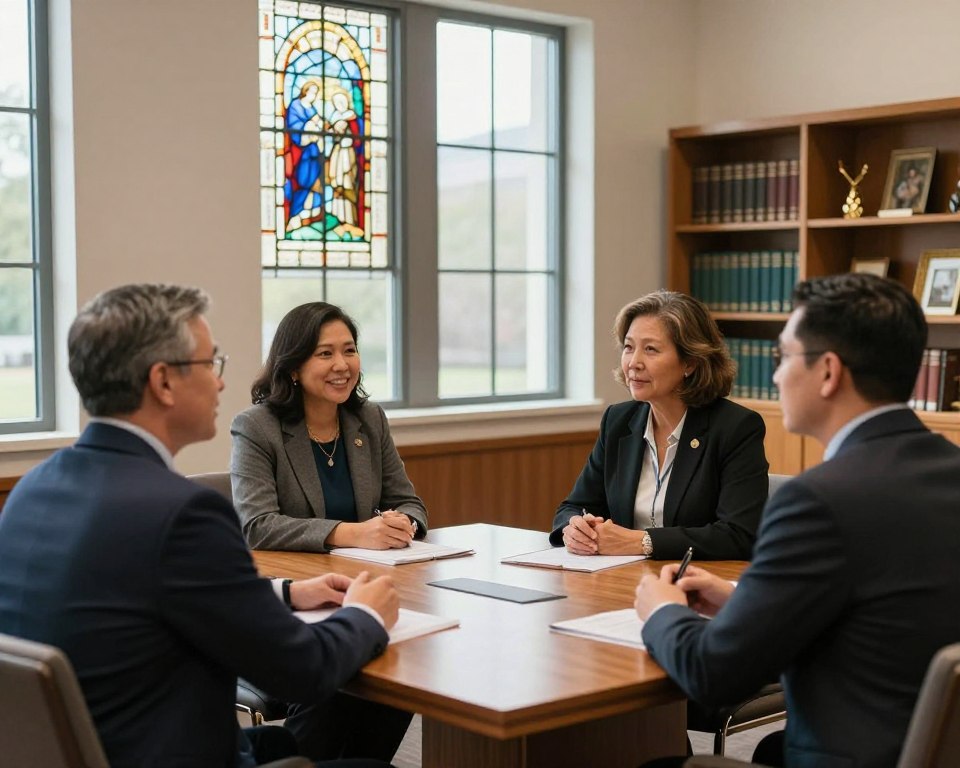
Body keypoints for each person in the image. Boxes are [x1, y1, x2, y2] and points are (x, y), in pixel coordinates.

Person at [0, 284, 398, 768]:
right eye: (210, 364)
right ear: (163, 381)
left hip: (109, 745)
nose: (221, 382)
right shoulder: (181, 513)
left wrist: (287, 593)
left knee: (307, 742)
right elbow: (303, 671)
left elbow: (144, 593)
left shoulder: (32, 490)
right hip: (172, 750)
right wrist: (365, 615)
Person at [636, 273, 960, 768]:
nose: (775, 377)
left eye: (784, 357)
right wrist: (749, 600)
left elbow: (713, 675)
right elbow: (887, 605)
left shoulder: (818, 501)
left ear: (828, 372)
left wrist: (662, 610)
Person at [231, 300, 425, 760]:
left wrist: (404, 523)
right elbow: (257, 525)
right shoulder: (258, 427)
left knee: (396, 663)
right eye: (324, 354)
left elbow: (410, 502)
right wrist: (353, 532)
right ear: (294, 367)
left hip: (360, 587)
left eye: (350, 350)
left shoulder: (368, 419)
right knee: (347, 667)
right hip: (297, 598)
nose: (342, 365)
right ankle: (302, 759)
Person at [551, 290, 768, 560]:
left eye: (650, 349)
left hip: (696, 583)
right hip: (620, 576)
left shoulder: (735, 428)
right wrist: (574, 529)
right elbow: (574, 506)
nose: (633, 363)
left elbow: (739, 534)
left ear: (689, 362)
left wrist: (643, 542)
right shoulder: (619, 421)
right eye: (629, 347)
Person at [285, 80, 325, 233]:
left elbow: (319, 124)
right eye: (311, 91)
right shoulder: (296, 105)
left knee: (315, 182)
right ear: (305, 91)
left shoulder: (312, 108)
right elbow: (294, 127)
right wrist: (308, 129)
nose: (313, 95)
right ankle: (295, 214)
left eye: (316, 92)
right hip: (300, 152)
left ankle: (309, 214)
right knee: (303, 181)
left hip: (314, 151)